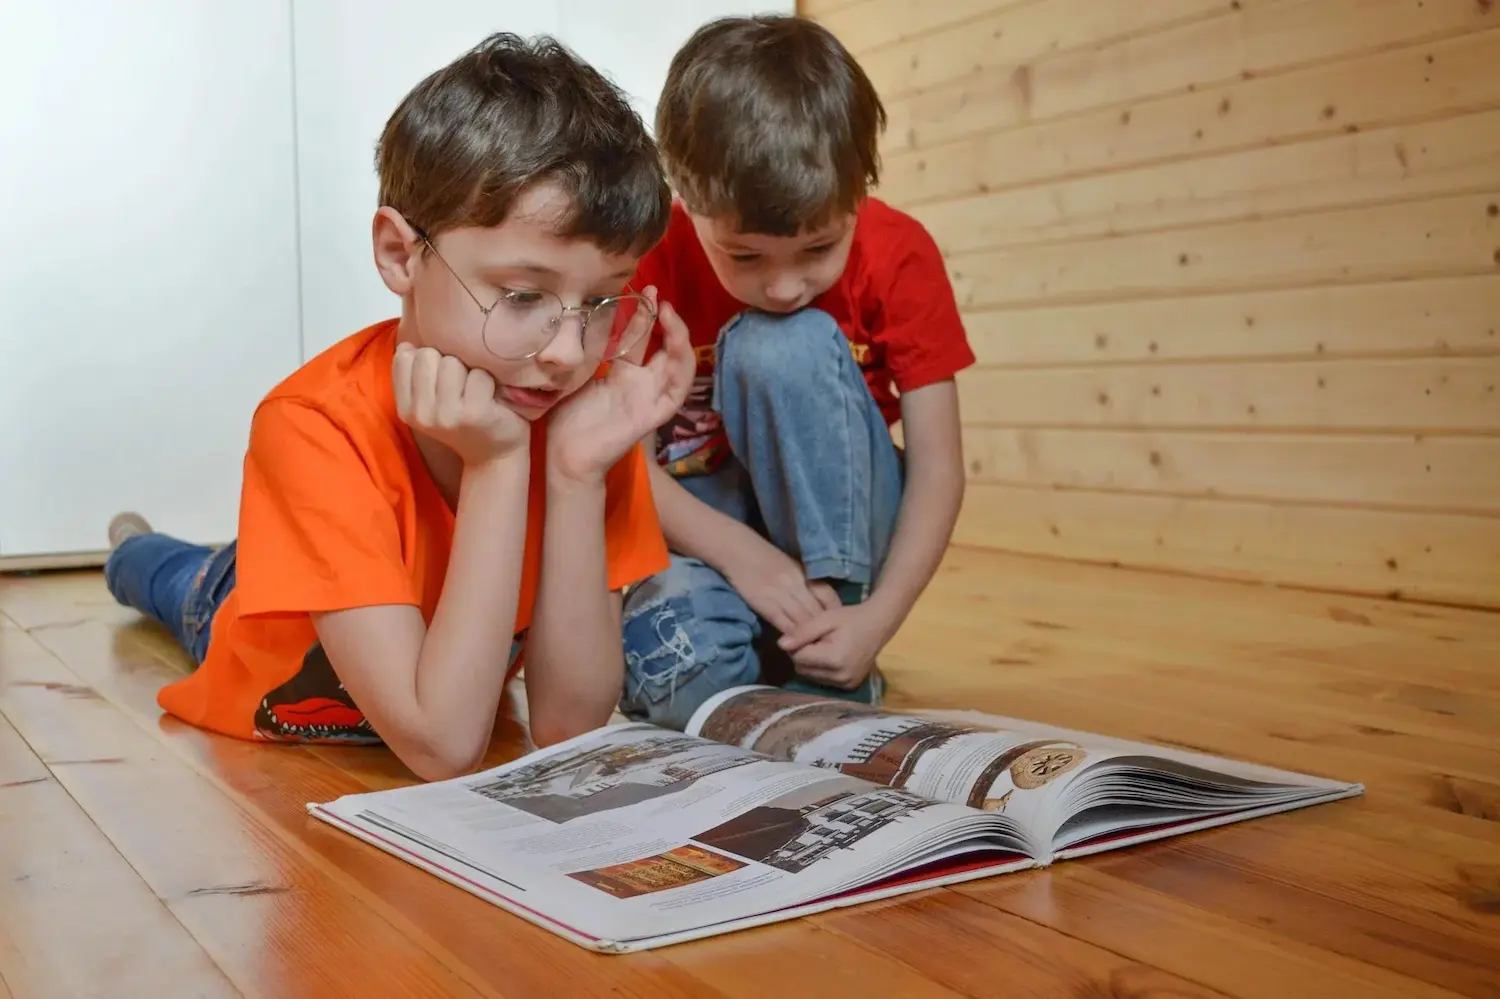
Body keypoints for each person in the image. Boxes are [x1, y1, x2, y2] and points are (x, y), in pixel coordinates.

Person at [103, 33, 695, 780]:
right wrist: (499, 464)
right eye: (522, 295)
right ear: (399, 254)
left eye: (603, 299)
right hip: (244, 606)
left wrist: (574, 476)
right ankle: (131, 542)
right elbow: (443, 746)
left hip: (364, 584)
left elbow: (569, 723)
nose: (569, 353)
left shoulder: (580, 420)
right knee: (170, 576)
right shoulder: (310, 424)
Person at [617, 15, 973, 730]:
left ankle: (830, 643)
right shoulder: (646, 262)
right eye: (743, 256)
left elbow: (939, 468)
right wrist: (741, 555)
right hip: (704, 533)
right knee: (684, 679)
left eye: (819, 247)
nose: (783, 286)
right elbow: (621, 468)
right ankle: (776, 665)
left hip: (840, 541)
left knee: (780, 343)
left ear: (858, 193)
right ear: (684, 198)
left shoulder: (900, 253)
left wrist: (876, 620)